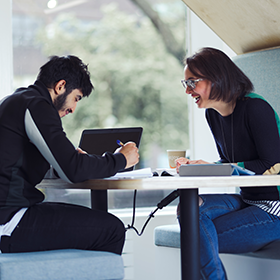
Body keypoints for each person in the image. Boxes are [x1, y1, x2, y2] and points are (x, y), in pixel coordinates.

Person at [0, 55, 139, 254]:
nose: (73, 108)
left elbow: (20, 164)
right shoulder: (37, 106)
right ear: (60, 86)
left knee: (98, 224)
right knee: (112, 230)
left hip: (9, 215)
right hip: (10, 221)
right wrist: (121, 159)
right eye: (76, 98)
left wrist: (67, 163)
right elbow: (72, 170)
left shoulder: (16, 100)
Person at [176, 47, 280, 280]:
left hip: (275, 207)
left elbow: (271, 162)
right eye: (185, 84)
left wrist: (219, 167)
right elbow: (230, 161)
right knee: (190, 207)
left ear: (216, 76)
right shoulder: (212, 114)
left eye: (192, 82)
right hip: (248, 200)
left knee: (195, 236)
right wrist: (200, 166)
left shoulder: (255, 108)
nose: (188, 91)